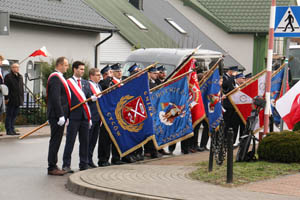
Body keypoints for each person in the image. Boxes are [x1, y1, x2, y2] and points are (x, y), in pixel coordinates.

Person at [62, 61, 96, 172]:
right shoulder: (68, 82)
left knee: (85, 141)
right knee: (70, 141)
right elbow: (65, 99)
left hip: (85, 117)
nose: (82, 71)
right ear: (75, 69)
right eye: (81, 69)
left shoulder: (86, 83)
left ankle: (84, 164)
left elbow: (88, 98)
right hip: (73, 116)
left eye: (83, 69)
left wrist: (92, 98)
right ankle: (66, 165)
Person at [46, 56, 70, 176]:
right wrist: (60, 115)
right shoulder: (55, 78)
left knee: (57, 140)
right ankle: (52, 166)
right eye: (65, 65)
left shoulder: (60, 77)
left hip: (59, 115)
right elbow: (55, 98)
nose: (67, 67)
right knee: (55, 141)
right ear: (59, 65)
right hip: (56, 115)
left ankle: (53, 165)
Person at [98, 64, 114, 167]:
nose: (111, 75)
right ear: (105, 75)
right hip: (103, 115)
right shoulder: (102, 83)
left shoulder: (110, 83)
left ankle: (106, 158)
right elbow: (104, 87)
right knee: (103, 139)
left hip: (110, 114)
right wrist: (108, 78)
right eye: (110, 73)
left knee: (109, 139)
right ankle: (102, 159)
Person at [87, 68, 102, 168]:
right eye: (97, 75)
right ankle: (85, 160)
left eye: (99, 75)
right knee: (87, 140)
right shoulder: (87, 85)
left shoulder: (99, 86)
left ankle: (90, 159)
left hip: (98, 117)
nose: (99, 76)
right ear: (91, 76)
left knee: (93, 140)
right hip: (91, 116)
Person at [4, 63, 24, 136]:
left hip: (18, 99)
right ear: (12, 68)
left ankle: (12, 129)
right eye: (15, 67)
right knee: (9, 115)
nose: (17, 69)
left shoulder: (20, 77)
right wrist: (6, 98)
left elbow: (21, 89)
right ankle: (8, 130)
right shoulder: (8, 77)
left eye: (18, 67)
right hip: (11, 99)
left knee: (14, 115)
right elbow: (6, 89)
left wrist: (22, 99)